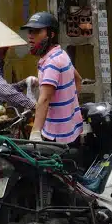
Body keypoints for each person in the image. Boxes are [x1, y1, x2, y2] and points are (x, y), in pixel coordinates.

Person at [20, 12, 83, 144]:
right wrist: (69, 106)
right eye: (30, 31)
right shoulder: (61, 54)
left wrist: (35, 132)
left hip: (57, 136)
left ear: (51, 34)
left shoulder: (51, 63)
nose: (30, 37)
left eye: (36, 31)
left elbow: (44, 99)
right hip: (72, 128)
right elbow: (77, 79)